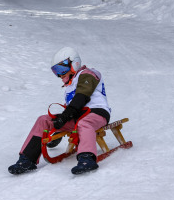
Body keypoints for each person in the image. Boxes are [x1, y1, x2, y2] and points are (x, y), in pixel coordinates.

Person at [8, 47, 111, 175]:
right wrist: (58, 125)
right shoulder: (69, 86)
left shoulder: (87, 74)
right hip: (76, 116)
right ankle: (27, 159)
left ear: (75, 63)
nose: (60, 74)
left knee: (84, 123)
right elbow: (72, 108)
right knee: (43, 120)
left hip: (97, 113)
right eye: (56, 71)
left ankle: (87, 159)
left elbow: (81, 97)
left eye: (62, 69)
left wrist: (65, 117)